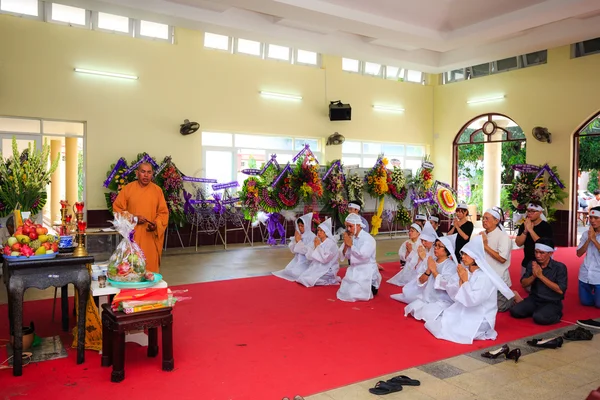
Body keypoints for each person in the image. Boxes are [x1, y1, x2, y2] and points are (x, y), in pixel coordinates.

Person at [425, 236, 515, 344]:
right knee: (441, 322)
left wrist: (465, 281)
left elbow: (474, 300)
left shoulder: (484, 277)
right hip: (468, 310)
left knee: (452, 330)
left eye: (466, 254)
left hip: (481, 316)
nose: (463, 257)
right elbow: (450, 288)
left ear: (475, 257)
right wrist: (460, 282)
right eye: (462, 254)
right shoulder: (466, 272)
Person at [113, 162, 169, 273]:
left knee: (150, 270)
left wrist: (156, 224)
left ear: (152, 174)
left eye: (149, 172)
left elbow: (163, 213)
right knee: (132, 269)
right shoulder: (128, 189)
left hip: (150, 237)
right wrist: (133, 218)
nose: (146, 175)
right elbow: (117, 210)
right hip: (133, 238)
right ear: (137, 173)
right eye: (143, 172)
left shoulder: (157, 191)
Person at [509, 238, 568, 325]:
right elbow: (523, 284)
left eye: (541, 253)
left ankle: (555, 314)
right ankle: (537, 311)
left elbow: (560, 290)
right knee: (515, 311)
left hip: (551, 301)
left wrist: (541, 276)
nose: (538, 255)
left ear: (550, 253)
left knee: (539, 318)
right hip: (534, 299)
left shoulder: (560, 267)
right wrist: (534, 276)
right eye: (536, 252)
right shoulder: (532, 264)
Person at [404, 234, 458, 322]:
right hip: (427, 297)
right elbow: (420, 281)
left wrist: (434, 271)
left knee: (428, 313)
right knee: (413, 308)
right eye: (435, 245)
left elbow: (447, 285)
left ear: (447, 250)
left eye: (440, 246)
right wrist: (429, 270)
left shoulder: (450, 266)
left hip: (442, 300)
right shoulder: (430, 261)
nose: (436, 248)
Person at [337, 213, 381, 302]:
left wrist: (351, 245)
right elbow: (345, 255)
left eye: (351, 226)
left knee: (353, 293)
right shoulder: (352, 237)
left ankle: (370, 287)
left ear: (358, 225)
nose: (348, 229)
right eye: (347, 227)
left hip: (366, 271)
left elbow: (364, 256)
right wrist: (346, 244)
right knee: (345, 290)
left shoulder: (368, 239)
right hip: (354, 269)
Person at [390, 221, 438, 298]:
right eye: (409, 231)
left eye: (412, 231)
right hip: (414, 269)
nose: (423, 243)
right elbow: (407, 257)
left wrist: (417, 255)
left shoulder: (434, 250)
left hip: (429, 276)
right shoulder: (409, 243)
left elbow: (431, 265)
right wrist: (410, 254)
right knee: (407, 289)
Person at [480, 208, 514, 312]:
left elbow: (502, 259)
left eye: (487, 218)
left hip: (498, 277)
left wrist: (485, 246)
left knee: (500, 308)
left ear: (496, 221)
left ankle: (512, 297)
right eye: (483, 218)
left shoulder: (503, 237)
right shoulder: (482, 235)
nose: (484, 221)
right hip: (484, 276)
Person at [296, 218, 341, 287]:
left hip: (328, 268)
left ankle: (329, 279)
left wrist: (317, 246)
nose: (318, 232)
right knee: (302, 277)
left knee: (308, 279)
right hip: (318, 266)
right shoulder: (318, 240)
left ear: (326, 232)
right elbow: (310, 255)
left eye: (321, 231)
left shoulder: (331, 244)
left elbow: (325, 259)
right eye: (318, 230)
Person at [272, 213, 315, 282]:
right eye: (299, 226)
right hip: (297, 259)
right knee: (288, 270)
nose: (300, 228)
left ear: (307, 226)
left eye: (302, 226)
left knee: (297, 273)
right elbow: (293, 250)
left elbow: (307, 251)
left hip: (306, 261)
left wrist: (298, 241)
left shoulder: (312, 236)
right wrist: (295, 240)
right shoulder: (299, 234)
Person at [515, 200, 553, 274]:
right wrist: (525, 231)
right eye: (528, 211)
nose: (529, 213)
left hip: (542, 264)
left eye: (533, 211)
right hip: (527, 262)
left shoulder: (546, 227)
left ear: (540, 212)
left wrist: (531, 230)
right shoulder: (524, 225)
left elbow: (544, 245)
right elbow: (518, 243)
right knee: (526, 283)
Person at [576, 206, 600, 308]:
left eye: (596, 218)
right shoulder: (586, 234)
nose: (592, 220)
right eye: (591, 217)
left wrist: (594, 240)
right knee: (585, 302)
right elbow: (579, 253)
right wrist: (589, 239)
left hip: (598, 273)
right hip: (585, 272)